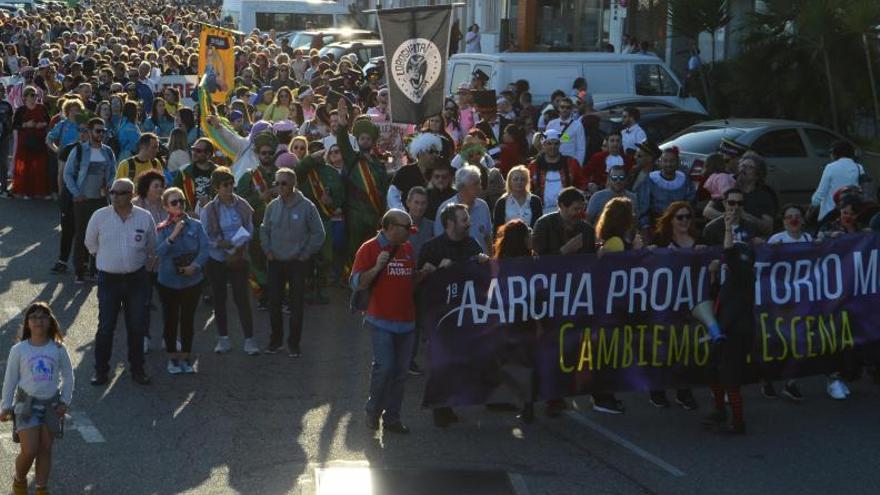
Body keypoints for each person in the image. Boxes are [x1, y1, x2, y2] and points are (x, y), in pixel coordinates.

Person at [353, 209, 427, 434]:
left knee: (400, 372)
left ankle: (392, 417)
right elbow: (358, 283)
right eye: (407, 229)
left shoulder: (407, 248)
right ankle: (373, 411)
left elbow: (410, 283)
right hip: (381, 320)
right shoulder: (369, 248)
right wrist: (376, 267)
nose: (411, 233)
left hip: (407, 321)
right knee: (385, 367)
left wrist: (422, 275)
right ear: (391, 227)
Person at [420, 203, 491, 427]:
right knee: (442, 362)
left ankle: (464, 398)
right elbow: (418, 282)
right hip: (440, 317)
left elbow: (483, 279)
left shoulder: (471, 244)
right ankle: (441, 407)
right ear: (450, 223)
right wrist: (436, 271)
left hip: (466, 314)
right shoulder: (432, 248)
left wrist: (483, 263)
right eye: (464, 219)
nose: (469, 222)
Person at [85, 178, 156, 386]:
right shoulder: (100, 216)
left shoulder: (144, 217)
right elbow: (90, 243)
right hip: (109, 279)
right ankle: (101, 371)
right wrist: (107, 259)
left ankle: (137, 369)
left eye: (120, 193)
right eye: (113, 193)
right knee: (106, 326)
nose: (115, 196)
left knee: (136, 326)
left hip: (136, 279)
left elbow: (152, 245)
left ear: (131, 195)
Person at [531, 187, 596, 416]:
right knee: (550, 346)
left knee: (573, 346)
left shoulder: (587, 230)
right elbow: (536, 262)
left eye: (582, 208)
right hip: (549, 297)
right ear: (562, 207)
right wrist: (564, 251)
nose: (579, 213)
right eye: (575, 209)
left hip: (576, 295)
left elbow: (591, 263)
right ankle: (551, 396)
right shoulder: (543, 225)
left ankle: (569, 387)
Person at [0, 302, 74, 495]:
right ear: (27, 324)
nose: (38, 321)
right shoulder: (19, 350)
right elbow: (10, 380)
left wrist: (65, 401)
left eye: (42, 317)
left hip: (51, 405)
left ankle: (41, 488)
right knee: (30, 449)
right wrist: (6, 406)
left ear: (50, 322)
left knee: (45, 448)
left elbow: (68, 376)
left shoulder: (58, 349)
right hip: (26, 404)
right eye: (33, 317)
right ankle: (19, 480)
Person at [260, 167, 326, 357]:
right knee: (274, 303)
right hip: (275, 262)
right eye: (277, 183)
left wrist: (306, 253)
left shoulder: (307, 207)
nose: (279, 187)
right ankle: (275, 341)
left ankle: (293, 344)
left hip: (298, 263)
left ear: (293, 185)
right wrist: (268, 250)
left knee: (296, 305)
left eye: (284, 183)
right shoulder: (272, 206)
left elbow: (319, 233)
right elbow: (264, 230)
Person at [646, 201, 700, 409]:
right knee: (663, 348)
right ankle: (657, 389)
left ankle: (683, 391)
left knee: (686, 348)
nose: (685, 220)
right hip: (666, 301)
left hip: (691, 301)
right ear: (671, 220)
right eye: (680, 217)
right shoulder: (661, 241)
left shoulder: (698, 240)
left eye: (688, 217)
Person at [702, 231, 757, 435]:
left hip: (737, 335)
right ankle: (719, 409)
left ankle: (738, 421)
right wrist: (714, 275)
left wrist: (726, 228)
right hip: (724, 333)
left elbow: (729, 254)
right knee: (713, 371)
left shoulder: (746, 275)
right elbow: (718, 297)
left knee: (730, 378)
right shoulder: (734, 279)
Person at [200, 167, 259, 356]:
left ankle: (249, 340)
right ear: (216, 188)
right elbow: (204, 236)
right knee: (219, 299)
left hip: (239, 256)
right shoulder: (208, 209)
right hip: (217, 259)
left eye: (231, 184)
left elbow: (250, 227)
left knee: (242, 298)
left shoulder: (242, 204)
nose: (229, 188)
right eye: (225, 185)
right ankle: (223, 339)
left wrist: (242, 243)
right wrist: (220, 243)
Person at [593, 197, 642, 415]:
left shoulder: (616, 239)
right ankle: (603, 397)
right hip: (610, 308)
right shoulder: (616, 242)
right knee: (607, 354)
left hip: (613, 306)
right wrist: (638, 251)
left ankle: (605, 395)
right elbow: (625, 268)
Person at [154, 187, 209, 374]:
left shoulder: (196, 225)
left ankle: (186, 357)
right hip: (168, 281)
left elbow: (205, 249)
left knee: (187, 320)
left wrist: (196, 266)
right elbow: (158, 252)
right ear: (166, 207)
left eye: (182, 201)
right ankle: (172, 358)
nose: (179, 205)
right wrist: (173, 234)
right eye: (174, 202)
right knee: (170, 319)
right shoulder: (162, 228)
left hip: (192, 281)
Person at [64, 117, 117, 284]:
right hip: (82, 200)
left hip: (100, 200)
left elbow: (112, 173)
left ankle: (95, 270)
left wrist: (109, 186)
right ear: (89, 132)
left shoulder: (108, 152)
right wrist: (76, 193)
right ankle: (79, 271)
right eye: (98, 131)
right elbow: (67, 174)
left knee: (99, 236)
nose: (101, 134)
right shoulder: (79, 150)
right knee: (81, 236)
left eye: (104, 131)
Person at [336, 99, 390, 261]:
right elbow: (343, 141)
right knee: (355, 248)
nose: (365, 141)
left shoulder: (379, 164)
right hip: (355, 212)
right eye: (362, 138)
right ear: (358, 140)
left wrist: (383, 212)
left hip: (374, 212)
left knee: (372, 249)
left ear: (373, 141)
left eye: (368, 139)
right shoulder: (352, 158)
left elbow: (384, 188)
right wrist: (342, 123)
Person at [236, 132, 280, 310]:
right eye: (264, 153)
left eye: (270, 153)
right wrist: (261, 196)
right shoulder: (249, 177)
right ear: (257, 154)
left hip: (279, 226)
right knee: (258, 262)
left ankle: (278, 295)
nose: (267, 156)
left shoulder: (282, 175)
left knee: (278, 262)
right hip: (256, 225)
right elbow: (240, 203)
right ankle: (262, 295)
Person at [132, 170, 168, 355]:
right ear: (146, 188)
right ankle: (144, 338)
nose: (160, 189)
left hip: (164, 263)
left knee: (168, 302)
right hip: (142, 264)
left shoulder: (167, 205)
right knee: (143, 303)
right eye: (156, 186)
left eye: (162, 186)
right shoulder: (135, 206)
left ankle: (168, 338)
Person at [703, 152, 776, 237]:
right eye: (742, 165)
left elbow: (768, 228)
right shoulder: (729, 186)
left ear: (757, 175)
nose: (743, 169)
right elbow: (707, 211)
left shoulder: (764, 196)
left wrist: (745, 217)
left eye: (750, 167)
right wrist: (730, 217)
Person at [636, 148, 696, 237]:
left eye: (672, 161)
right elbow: (643, 208)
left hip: (681, 225)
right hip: (656, 226)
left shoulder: (685, 179)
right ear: (660, 162)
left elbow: (690, 203)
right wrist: (645, 227)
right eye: (665, 161)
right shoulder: (650, 179)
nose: (669, 164)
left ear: (678, 162)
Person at [434, 165, 493, 252]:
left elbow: (488, 238)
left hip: (481, 262)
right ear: (462, 187)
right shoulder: (445, 209)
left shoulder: (483, 206)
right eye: (475, 184)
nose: (480, 187)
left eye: (479, 183)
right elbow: (439, 242)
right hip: (457, 263)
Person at [527, 129, 584, 214]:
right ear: (543, 145)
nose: (552, 147)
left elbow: (581, 184)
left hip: (567, 212)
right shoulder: (534, 166)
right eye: (549, 143)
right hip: (541, 211)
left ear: (560, 144)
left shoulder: (571, 163)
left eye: (556, 144)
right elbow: (528, 188)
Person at [12, 86, 51, 199]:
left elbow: (49, 121)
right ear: (25, 97)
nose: (34, 97)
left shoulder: (42, 108)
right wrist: (26, 125)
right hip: (25, 140)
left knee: (41, 165)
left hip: (39, 139)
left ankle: (41, 191)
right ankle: (26, 191)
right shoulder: (21, 110)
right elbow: (14, 125)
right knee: (26, 166)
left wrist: (42, 125)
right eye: (32, 95)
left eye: (36, 95)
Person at [811, 140, 864, 224]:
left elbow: (820, 194)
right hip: (852, 215)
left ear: (835, 153)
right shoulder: (859, 167)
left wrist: (813, 204)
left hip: (830, 216)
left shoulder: (830, 167)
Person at [387, 133, 439, 210]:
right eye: (431, 151)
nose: (435, 155)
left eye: (436, 152)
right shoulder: (405, 171)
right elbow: (392, 195)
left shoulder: (438, 174)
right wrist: (402, 213)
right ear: (420, 152)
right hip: (407, 219)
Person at [173, 138, 217, 216]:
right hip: (191, 217)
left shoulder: (219, 172)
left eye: (198, 151)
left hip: (214, 214)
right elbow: (174, 195)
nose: (194, 153)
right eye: (193, 149)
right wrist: (186, 211)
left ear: (208, 154)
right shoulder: (183, 172)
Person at [493, 165, 542, 230]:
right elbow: (497, 228)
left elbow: (539, 227)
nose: (519, 182)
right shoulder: (502, 202)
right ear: (509, 181)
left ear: (527, 181)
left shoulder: (535, 201)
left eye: (522, 179)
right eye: (515, 179)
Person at [545, 97, 586, 166]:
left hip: (570, 162)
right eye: (562, 107)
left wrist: (578, 166)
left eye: (568, 107)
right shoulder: (551, 124)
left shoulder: (578, 126)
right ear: (558, 108)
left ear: (572, 109)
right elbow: (546, 145)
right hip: (552, 162)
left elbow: (581, 148)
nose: (565, 109)